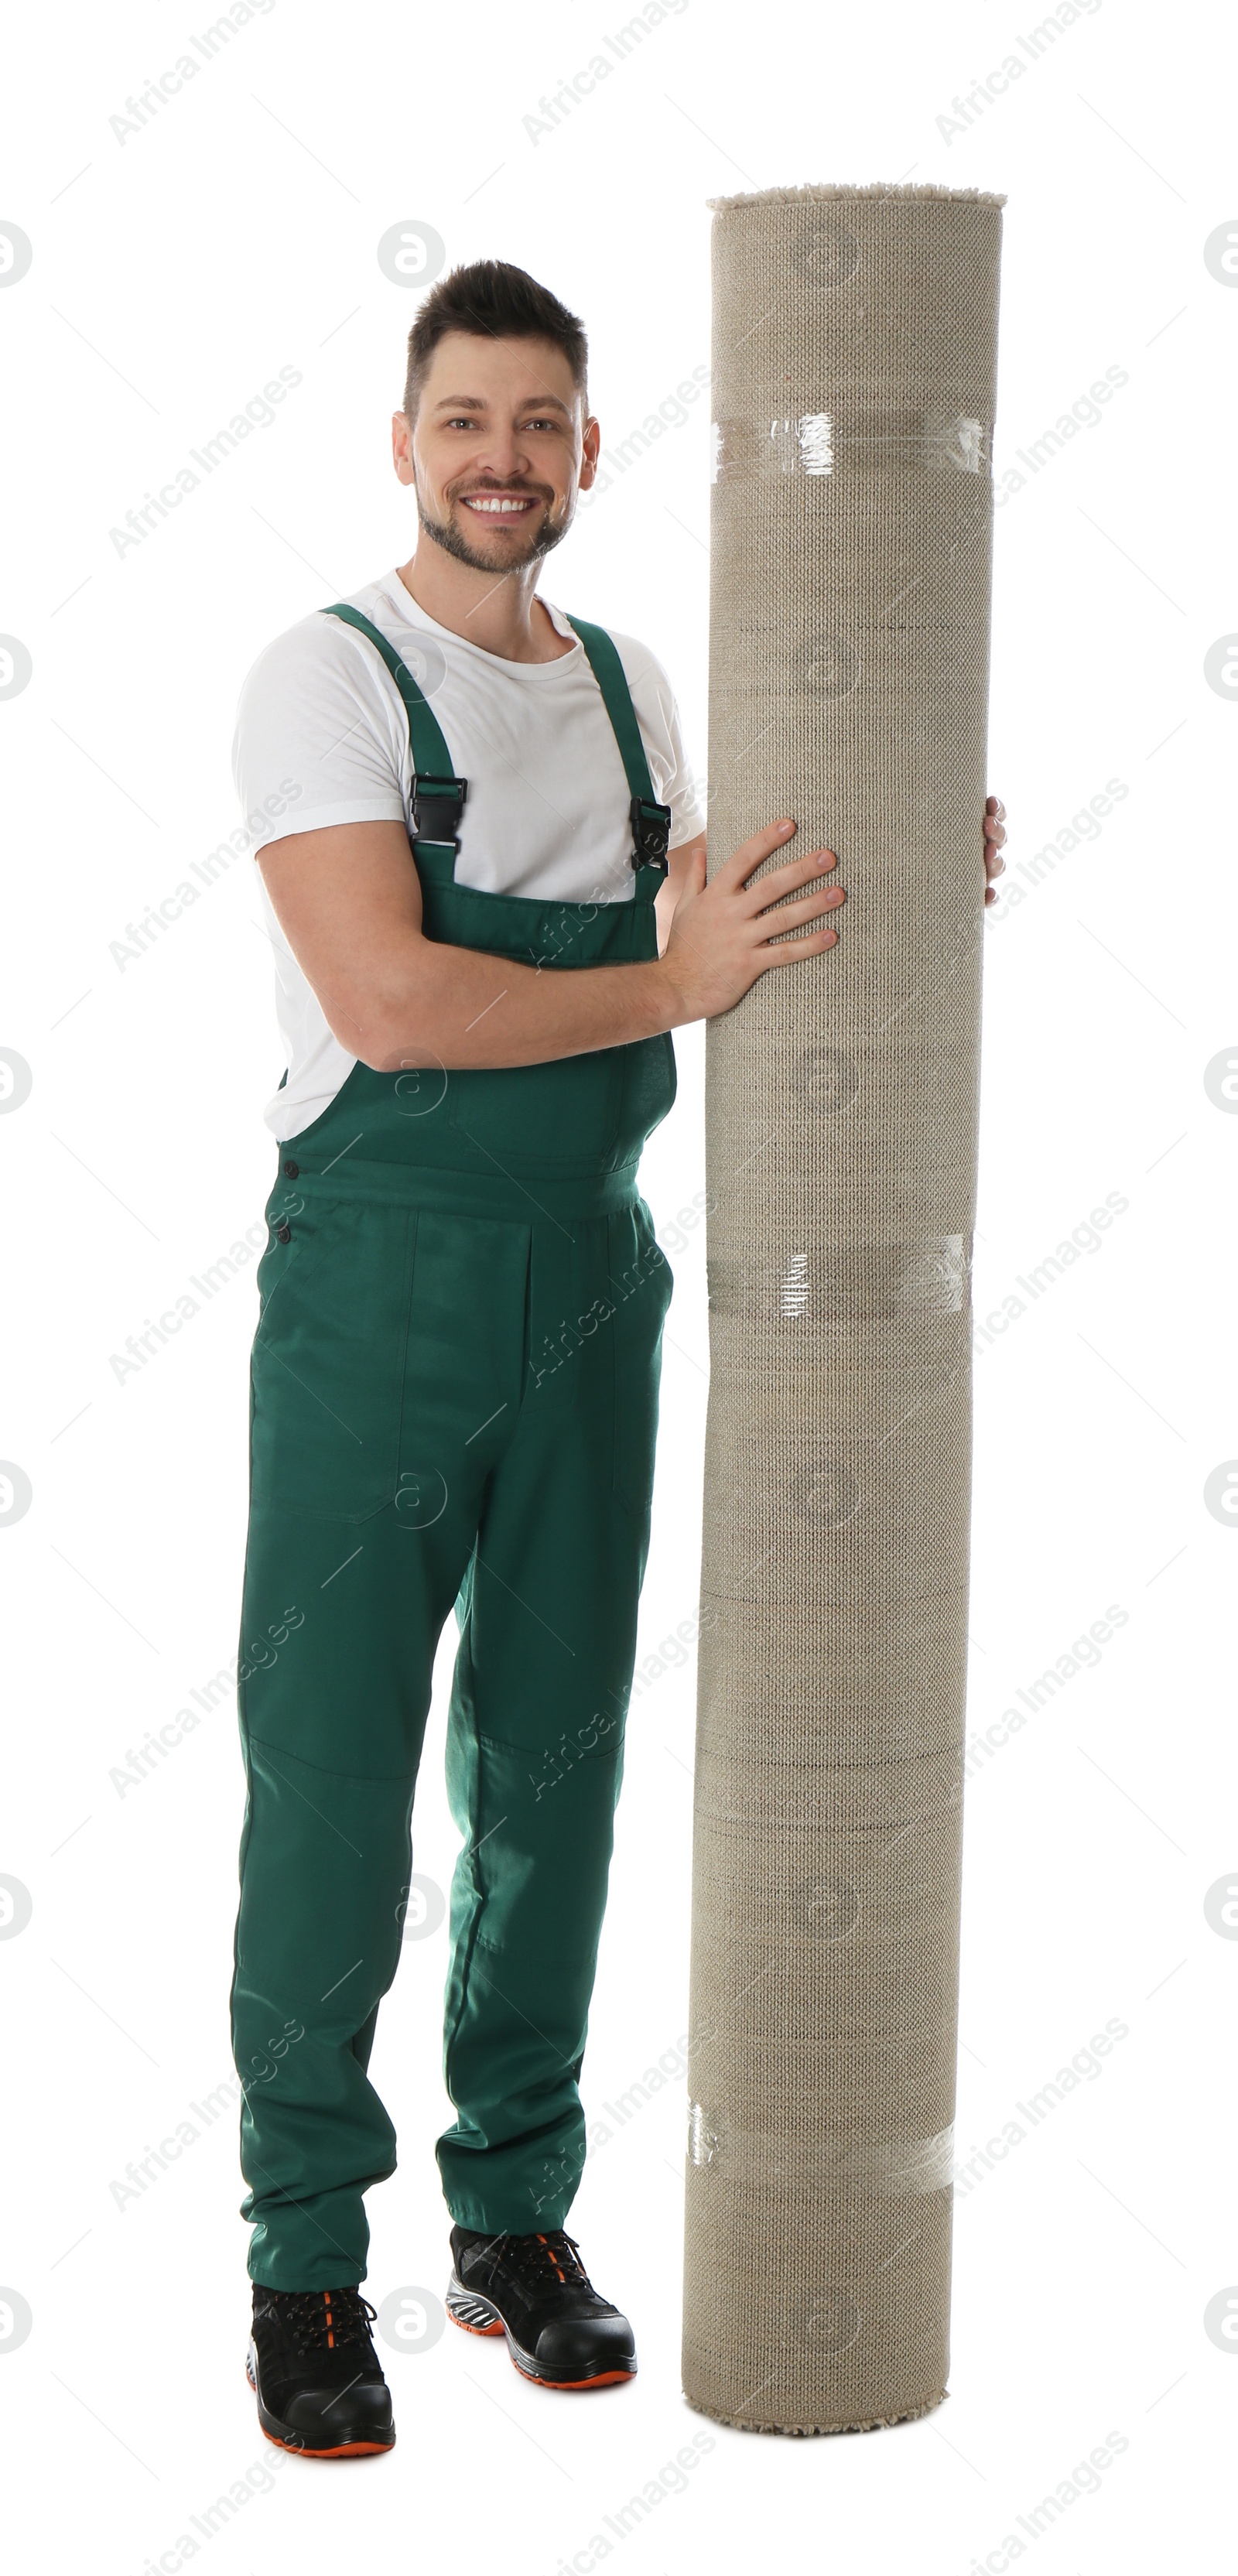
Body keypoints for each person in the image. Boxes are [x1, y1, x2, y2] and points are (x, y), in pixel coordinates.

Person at [228, 257, 1007, 2458]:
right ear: (407, 440)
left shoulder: (643, 694)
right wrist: (677, 984)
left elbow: (760, 914)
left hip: (594, 1283)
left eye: (544, 423)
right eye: (466, 419)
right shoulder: (330, 678)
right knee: (335, 1782)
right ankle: (303, 2254)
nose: (505, 460)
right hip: (378, 1296)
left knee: (552, 1770)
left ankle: (514, 2215)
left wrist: (913, 864)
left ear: (590, 445)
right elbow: (391, 1000)